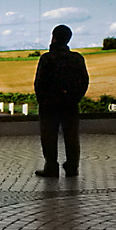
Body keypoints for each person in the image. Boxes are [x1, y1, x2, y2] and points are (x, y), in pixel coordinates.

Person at [33, 25, 89, 178]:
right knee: (72, 137)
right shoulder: (77, 58)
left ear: (54, 37)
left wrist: (43, 101)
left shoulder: (47, 59)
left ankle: (51, 167)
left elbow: (39, 84)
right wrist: (75, 98)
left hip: (49, 106)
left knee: (49, 137)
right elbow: (84, 81)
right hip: (70, 105)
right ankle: (72, 167)